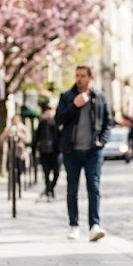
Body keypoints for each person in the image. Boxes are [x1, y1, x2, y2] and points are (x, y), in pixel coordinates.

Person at [55, 65, 111, 242]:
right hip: (71, 150)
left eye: (82, 76)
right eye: (77, 75)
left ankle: (94, 226)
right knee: (72, 188)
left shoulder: (100, 97)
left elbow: (107, 122)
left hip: (93, 150)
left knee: (93, 187)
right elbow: (58, 119)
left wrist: (102, 141)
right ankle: (73, 225)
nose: (78, 79)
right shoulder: (66, 96)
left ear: (91, 78)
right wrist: (74, 105)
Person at [34, 105, 61, 199]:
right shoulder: (42, 123)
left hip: (55, 152)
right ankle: (49, 190)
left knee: (56, 172)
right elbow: (36, 137)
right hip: (44, 152)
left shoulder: (57, 122)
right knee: (46, 172)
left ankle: (50, 188)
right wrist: (34, 150)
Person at [0, 114, 29, 193]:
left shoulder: (22, 128)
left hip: (19, 151)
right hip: (10, 151)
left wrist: (19, 135)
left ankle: (18, 184)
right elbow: (2, 139)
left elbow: (27, 139)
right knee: (10, 169)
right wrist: (6, 132)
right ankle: (12, 184)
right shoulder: (9, 128)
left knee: (19, 168)